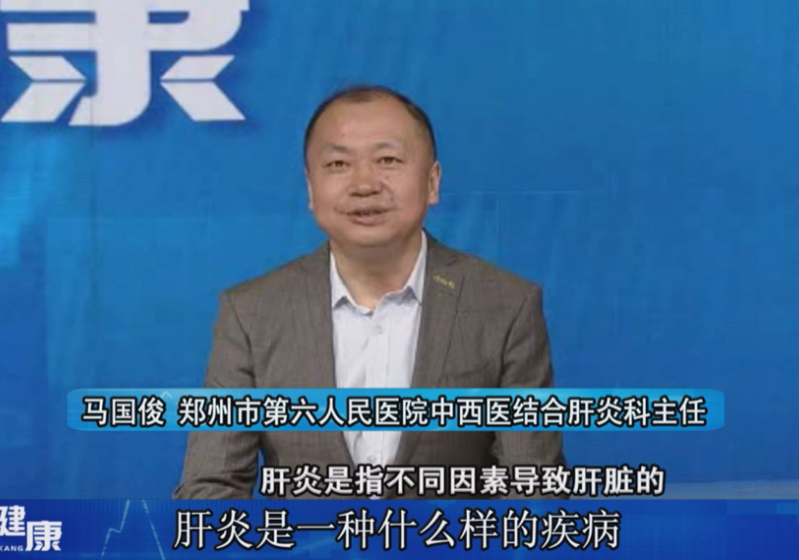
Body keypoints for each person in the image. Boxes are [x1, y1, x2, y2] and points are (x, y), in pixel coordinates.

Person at [174, 85, 563, 499]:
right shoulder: (252, 313)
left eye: (388, 160)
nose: (364, 184)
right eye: (338, 164)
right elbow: (210, 487)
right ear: (311, 188)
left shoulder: (505, 306)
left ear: (432, 182)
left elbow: (534, 488)